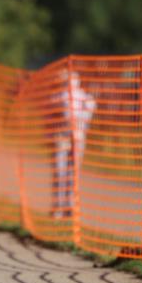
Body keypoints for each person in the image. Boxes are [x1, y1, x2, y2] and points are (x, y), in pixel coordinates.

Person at [53, 71, 96, 218]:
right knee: (60, 172)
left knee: (73, 173)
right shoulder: (58, 97)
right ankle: (58, 205)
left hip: (77, 138)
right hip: (62, 138)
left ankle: (69, 205)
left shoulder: (85, 98)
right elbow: (54, 116)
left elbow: (86, 116)